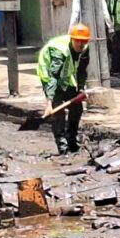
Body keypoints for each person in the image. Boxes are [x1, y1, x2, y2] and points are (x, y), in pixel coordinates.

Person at [37, 23, 91, 155]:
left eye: (83, 41)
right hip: (50, 75)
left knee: (77, 107)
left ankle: (72, 140)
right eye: (78, 41)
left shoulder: (85, 48)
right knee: (59, 112)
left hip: (66, 75)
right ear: (72, 39)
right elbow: (54, 77)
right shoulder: (59, 51)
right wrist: (49, 104)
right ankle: (62, 146)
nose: (80, 44)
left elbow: (82, 71)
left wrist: (80, 90)